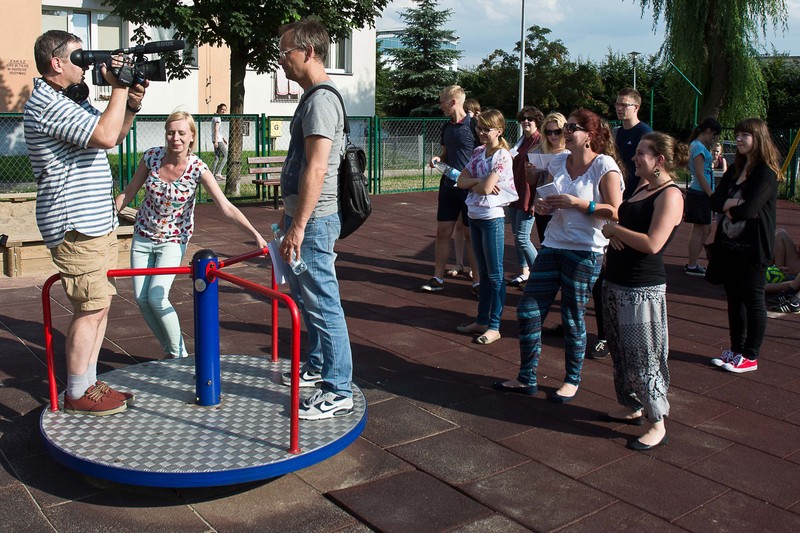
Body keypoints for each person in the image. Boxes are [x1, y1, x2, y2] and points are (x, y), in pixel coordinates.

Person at [24, 30, 145, 416]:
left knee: (100, 304)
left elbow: (115, 131)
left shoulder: (69, 100)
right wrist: (119, 88)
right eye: (80, 57)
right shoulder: (47, 103)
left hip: (95, 221)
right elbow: (107, 136)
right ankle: (78, 390)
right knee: (89, 308)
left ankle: (89, 382)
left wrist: (130, 104)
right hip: (76, 225)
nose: (88, 64)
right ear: (56, 63)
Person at [494, 109, 623, 402]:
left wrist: (579, 203)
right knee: (528, 311)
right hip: (553, 244)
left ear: (590, 135)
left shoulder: (603, 165)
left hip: (585, 251)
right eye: (565, 127)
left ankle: (572, 379)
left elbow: (616, 210)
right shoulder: (558, 161)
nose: (566, 131)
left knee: (572, 316)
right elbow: (548, 198)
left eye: (572, 127)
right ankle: (526, 377)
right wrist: (545, 206)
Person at [115, 111, 267, 358]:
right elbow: (129, 191)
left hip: (173, 240)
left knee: (156, 297)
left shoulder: (198, 168)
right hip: (143, 235)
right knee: (142, 300)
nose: (175, 138)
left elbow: (225, 206)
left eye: (181, 133)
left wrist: (255, 234)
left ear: (191, 137)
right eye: (171, 132)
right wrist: (106, 218)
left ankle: (179, 355)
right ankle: (170, 351)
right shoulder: (152, 158)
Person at [276, 18, 354, 420]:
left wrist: (299, 225)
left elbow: (318, 168)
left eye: (285, 53)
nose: (281, 61)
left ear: (307, 52)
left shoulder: (321, 100)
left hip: (317, 221)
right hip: (307, 215)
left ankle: (338, 389)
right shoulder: (311, 97)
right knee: (310, 300)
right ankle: (321, 366)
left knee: (323, 303)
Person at [601, 132, 686, 450]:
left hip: (642, 289)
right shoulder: (643, 186)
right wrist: (611, 229)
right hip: (616, 281)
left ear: (660, 160)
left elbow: (653, 243)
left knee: (644, 357)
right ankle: (631, 404)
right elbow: (625, 225)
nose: (634, 158)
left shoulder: (670, 195)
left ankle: (656, 421)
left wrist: (613, 229)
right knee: (621, 353)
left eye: (641, 154)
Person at [708, 118, 782, 373]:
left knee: (753, 299)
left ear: (758, 138)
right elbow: (715, 202)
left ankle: (751, 355)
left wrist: (731, 206)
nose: (738, 139)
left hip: (753, 247)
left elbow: (750, 209)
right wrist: (731, 205)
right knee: (734, 300)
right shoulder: (735, 169)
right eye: (737, 134)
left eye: (745, 135)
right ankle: (736, 350)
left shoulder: (766, 173)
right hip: (729, 244)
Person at [455, 109, 516, 345]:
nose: (480, 132)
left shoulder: (502, 156)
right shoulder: (479, 151)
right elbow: (461, 181)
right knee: (482, 272)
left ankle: (494, 325)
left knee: (495, 274)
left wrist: (477, 183)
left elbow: (485, 188)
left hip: (492, 217)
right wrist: (479, 181)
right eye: (479, 128)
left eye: (486, 129)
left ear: (499, 131)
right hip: (475, 215)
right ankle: (482, 319)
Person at [506, 106, 543, 287]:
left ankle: (538, 277)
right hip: (516, 193)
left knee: (522, 237)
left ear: (537, 121)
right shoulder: (521, 141)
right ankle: (525, 272)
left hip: (529, 194)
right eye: (523, 119)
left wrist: (537, 199)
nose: (526, 122)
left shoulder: (540, 141)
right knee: (516, 236)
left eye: (530, 119)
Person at [447, 98, 483, 283]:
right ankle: (459, 263)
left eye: (474, 112)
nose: (471, 115)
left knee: (471, 229)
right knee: (459, 227)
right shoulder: (454, 127)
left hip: (471, 184)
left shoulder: (476, 128)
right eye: (468, 111)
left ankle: (473, 268)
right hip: (457, 181)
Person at [684, 117, 722, 276]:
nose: (713, 139)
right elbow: (699, 173)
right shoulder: (698, 147)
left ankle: (693, 262)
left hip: (701, 191)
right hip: (700, 192)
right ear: (707, 131)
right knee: (701, 229)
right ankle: (692, 264)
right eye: (713, 135)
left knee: (704, 228)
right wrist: (711, 194)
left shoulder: (696, 146)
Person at [531, 112, 569, 245]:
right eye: (548, 132)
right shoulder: (539, 150)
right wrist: (530, 171)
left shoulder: (571, 151)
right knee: (545, 244)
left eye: (557, 131)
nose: (552, 135)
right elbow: (530, 181)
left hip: (564, 205)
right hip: (544, 204)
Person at [614, 87, 653, 198]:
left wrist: (636, 196)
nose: (619, 108)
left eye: (624, 105)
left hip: (634, 194)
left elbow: (649, 170)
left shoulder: (645, 133)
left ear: (636, 108)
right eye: (617, 105)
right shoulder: (616, 132)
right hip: (618, 192)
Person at [211, 103, 228, 181]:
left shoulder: (216, 117)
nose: (223, 111)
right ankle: (218, 173)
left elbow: (218, 131)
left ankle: (212, 174)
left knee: (217, 157)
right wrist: (216, 141)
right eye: (222, 110)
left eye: (225, 110)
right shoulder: (217, 118)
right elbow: (216, 129)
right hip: (218, 140)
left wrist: (223, 137)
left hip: (217, 139)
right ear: (218, 109)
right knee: (226, 155)